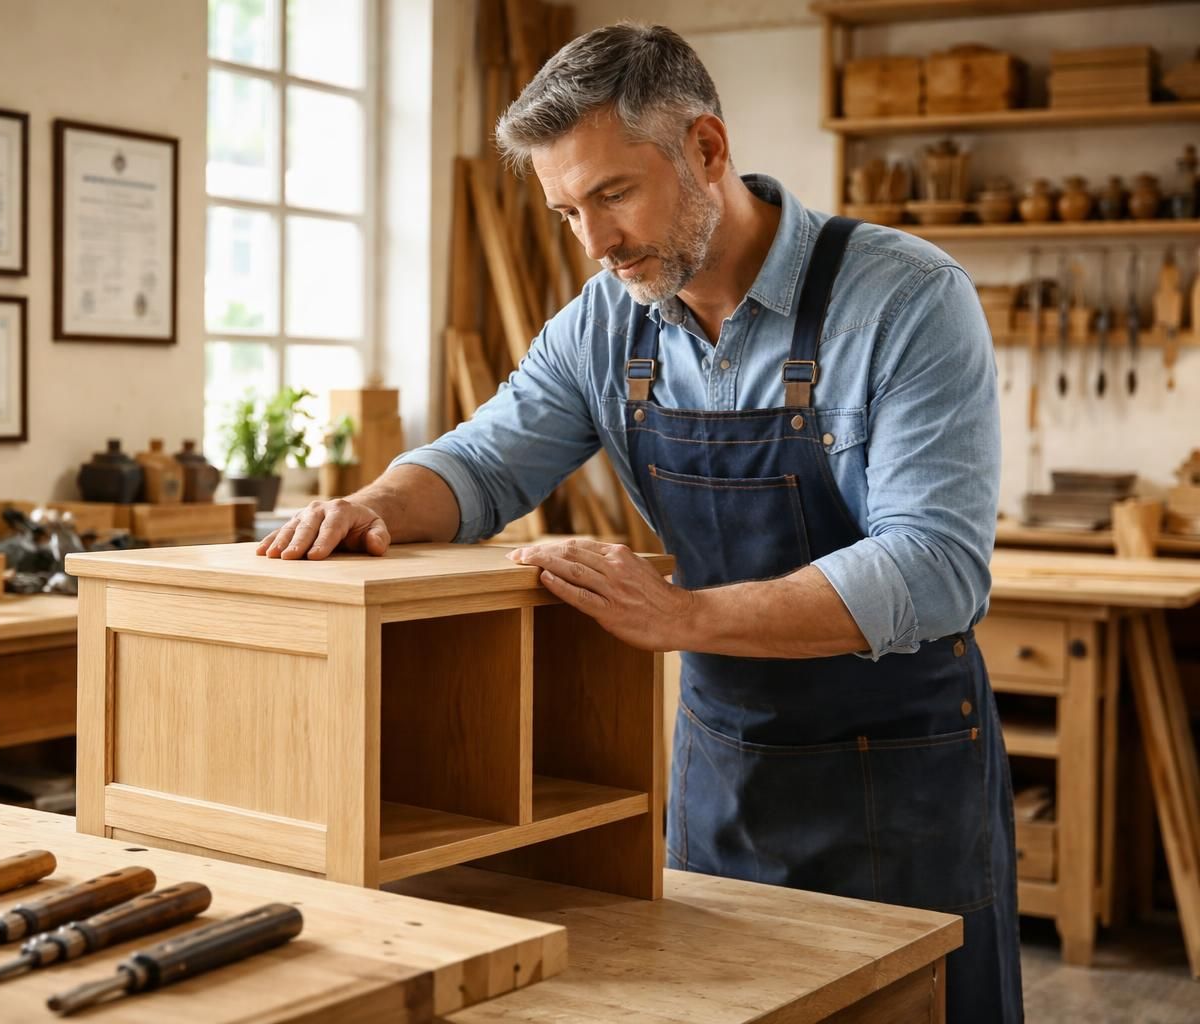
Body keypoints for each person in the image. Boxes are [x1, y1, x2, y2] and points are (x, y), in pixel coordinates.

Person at [255, 23, 1019, 1022]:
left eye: (613, 194)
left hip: (905, 776)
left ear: (707, 150)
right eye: (568, 210)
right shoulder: (603, 323)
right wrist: (373, 506)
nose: (595, 243)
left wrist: (682, 617)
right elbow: (483, 460)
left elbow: (936, 567)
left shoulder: (907, 298)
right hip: (723, 765)